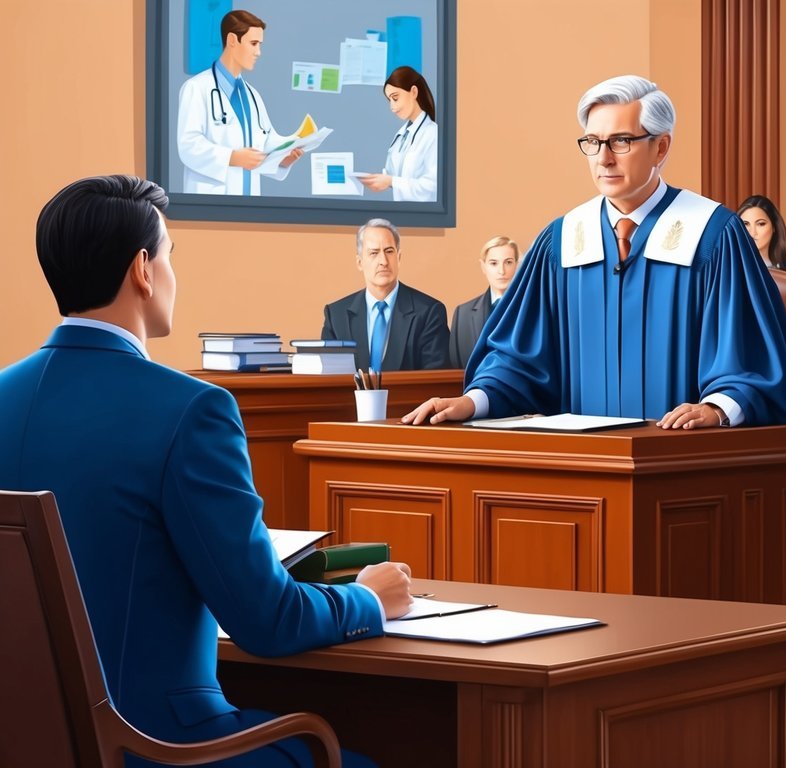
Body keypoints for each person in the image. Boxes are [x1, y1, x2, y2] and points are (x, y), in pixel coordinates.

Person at [0, 175, 413, 766]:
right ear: (143, 269)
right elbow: (266, 621)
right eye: (171, 256)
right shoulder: (191, 409)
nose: (173, 274)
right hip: (163, 748)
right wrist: (368, 600)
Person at [403, 75, 786, 429]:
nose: (604, 158)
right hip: (585, 469)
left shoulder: (713, 236)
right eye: (592, 143)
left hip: (677, 464)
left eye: (621, 141)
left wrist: (716, 408)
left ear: (661, 148)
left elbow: (748, 361)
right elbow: (519, 360)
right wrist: (473, 402)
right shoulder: (561, 241)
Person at [177, 10, 303, 195]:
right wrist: (232, 157)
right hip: (209, 201)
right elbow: (189, 146)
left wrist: (284, 158)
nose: (258, 52)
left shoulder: (252, 96)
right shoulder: (197, 88)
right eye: (253, 44)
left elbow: (265, 142)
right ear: (232, 40)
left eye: (260, 45)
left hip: (247, 205)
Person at [321, 218, 449, 372]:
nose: (383, 261)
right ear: (359, 262)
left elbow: (435, 379)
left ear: (399, 258)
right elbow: (328, 377)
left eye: (389, 251)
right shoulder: (336, 315)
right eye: (373, 253)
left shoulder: (429, 312)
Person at [356, 66, 439, 202]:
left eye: (395, 98)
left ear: (413, 92)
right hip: (403, 213)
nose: (392, 107)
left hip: (424, 217)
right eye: (389, 100)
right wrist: (378, 180)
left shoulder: (432, 133)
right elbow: (393, 174)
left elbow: (432, 186)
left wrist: (391, 181)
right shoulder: (402, 136)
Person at [449, 236, 520, 368]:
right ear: (483, 267)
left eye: (508, 262)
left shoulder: (534, 310)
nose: (501, 271)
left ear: (517, 265)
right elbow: (456, 366)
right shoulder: (462, 314)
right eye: (494, 263)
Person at [737, 194, 786, 272]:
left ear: (774, 227)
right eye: (745, 224)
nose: (752, 233)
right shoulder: (725, 274)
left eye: (761, 224)